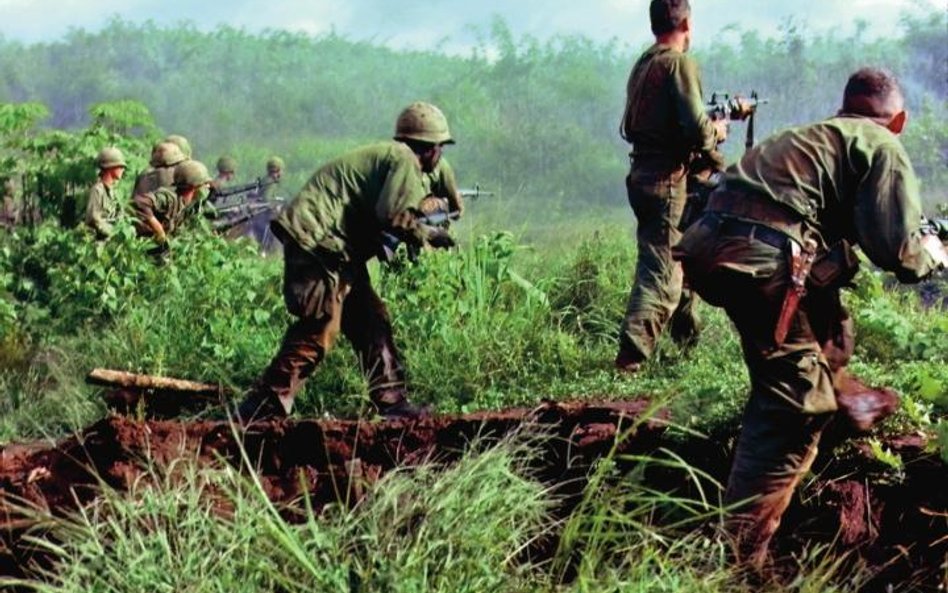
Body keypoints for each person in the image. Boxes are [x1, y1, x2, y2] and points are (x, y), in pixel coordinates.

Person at [672, 67, 948, 568]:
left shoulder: (809, 137)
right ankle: (734, 559)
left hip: (710, 245)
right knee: (793, 408)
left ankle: (846, 396)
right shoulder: (881, 143)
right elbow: (900, 254)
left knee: (829, 332)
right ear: (899, 119)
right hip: (760, 257)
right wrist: (935, 249)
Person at [235, 101, 457, 422]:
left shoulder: (391, 157)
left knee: (371, 319)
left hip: (335, 248)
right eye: (440, 148)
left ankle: (392, 401)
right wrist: (425, 234)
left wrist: (421, 225)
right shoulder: (404, 160)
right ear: (432, 148)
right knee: (320, 327)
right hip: (319, 244)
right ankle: (262, 407)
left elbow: (382, 213)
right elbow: (392, 215)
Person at [613, 0, 739, 373]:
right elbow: (698, 130)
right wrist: (717, 130)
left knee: (680, 258)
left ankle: (686, 346)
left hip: (646, 174)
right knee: (663, 273)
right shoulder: (678, 63)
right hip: (666, 179)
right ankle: (630, 362)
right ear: (687, 22)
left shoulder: (645, 63)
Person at [132, 160, 213, 246]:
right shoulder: (169, 198)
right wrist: (159, 231)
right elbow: (140, 202)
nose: (207, 187)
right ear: (194, 186)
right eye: (205, 184)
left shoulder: (186, 206)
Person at [84, 147, 127, 239]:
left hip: (109, 239)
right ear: (110, 168)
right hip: (96, 241)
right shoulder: (97, 190)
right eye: (120, 166)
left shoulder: (114, 192)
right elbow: (93, 219)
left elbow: (119, 216)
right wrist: (113, 233)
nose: (122, 169)